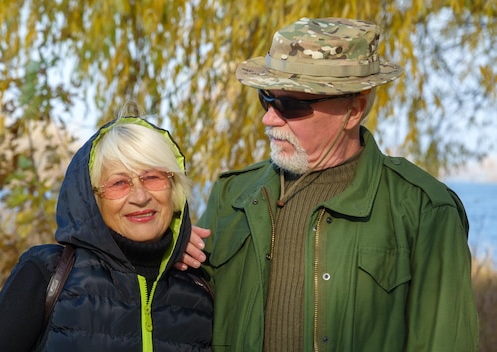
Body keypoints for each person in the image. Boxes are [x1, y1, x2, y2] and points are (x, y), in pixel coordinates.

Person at [183, 17, 479, 351]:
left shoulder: (424, 209)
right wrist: (159, 250)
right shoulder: (231, 195)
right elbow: (179, 317)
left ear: (355, 110)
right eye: (267, 99)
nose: (269, 118)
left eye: (291, 105)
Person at [0, 103, 213, 351]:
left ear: (175, 188)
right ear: (92, 198)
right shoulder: (47, 273)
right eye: (119, 183)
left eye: (153, 177)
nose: (140, 197)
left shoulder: (199, 291)